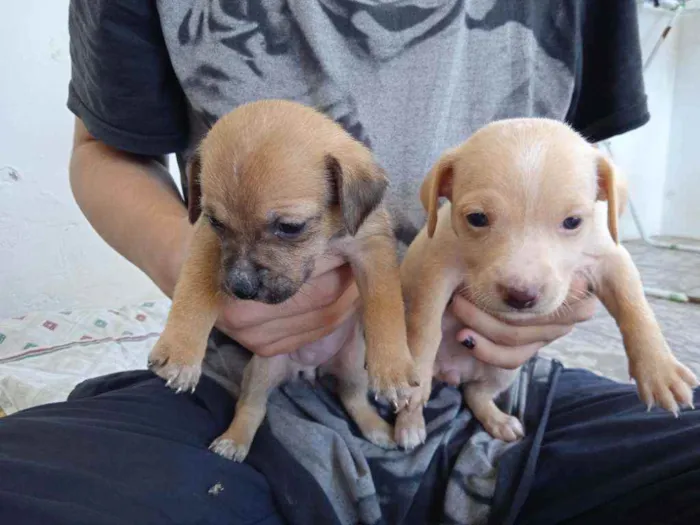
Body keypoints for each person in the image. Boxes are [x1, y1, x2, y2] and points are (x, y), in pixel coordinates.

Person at [1, 1, 698, 524]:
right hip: (231, 380)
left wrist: (574, 292)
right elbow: (110, 152)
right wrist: (188, 267)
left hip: (500, 380)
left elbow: (585, 183)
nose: (246, 268)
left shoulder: (368, 202)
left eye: (288, 228)